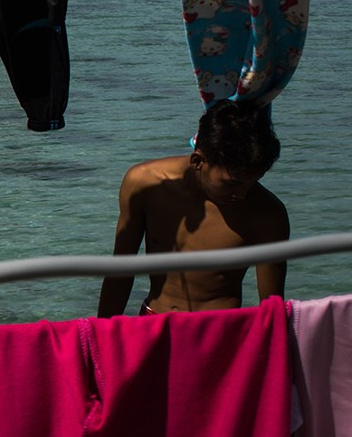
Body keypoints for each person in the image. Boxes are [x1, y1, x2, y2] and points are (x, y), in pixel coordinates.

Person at [97, 101, 289, 317]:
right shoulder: (145, 184)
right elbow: (120, 272)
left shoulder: (267, 214)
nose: (242, 194)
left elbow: (272, 308)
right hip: (153, 321)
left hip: (221, 331)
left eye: (252, 182)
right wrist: (101, 337)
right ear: (198, 161)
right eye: (232, 183)